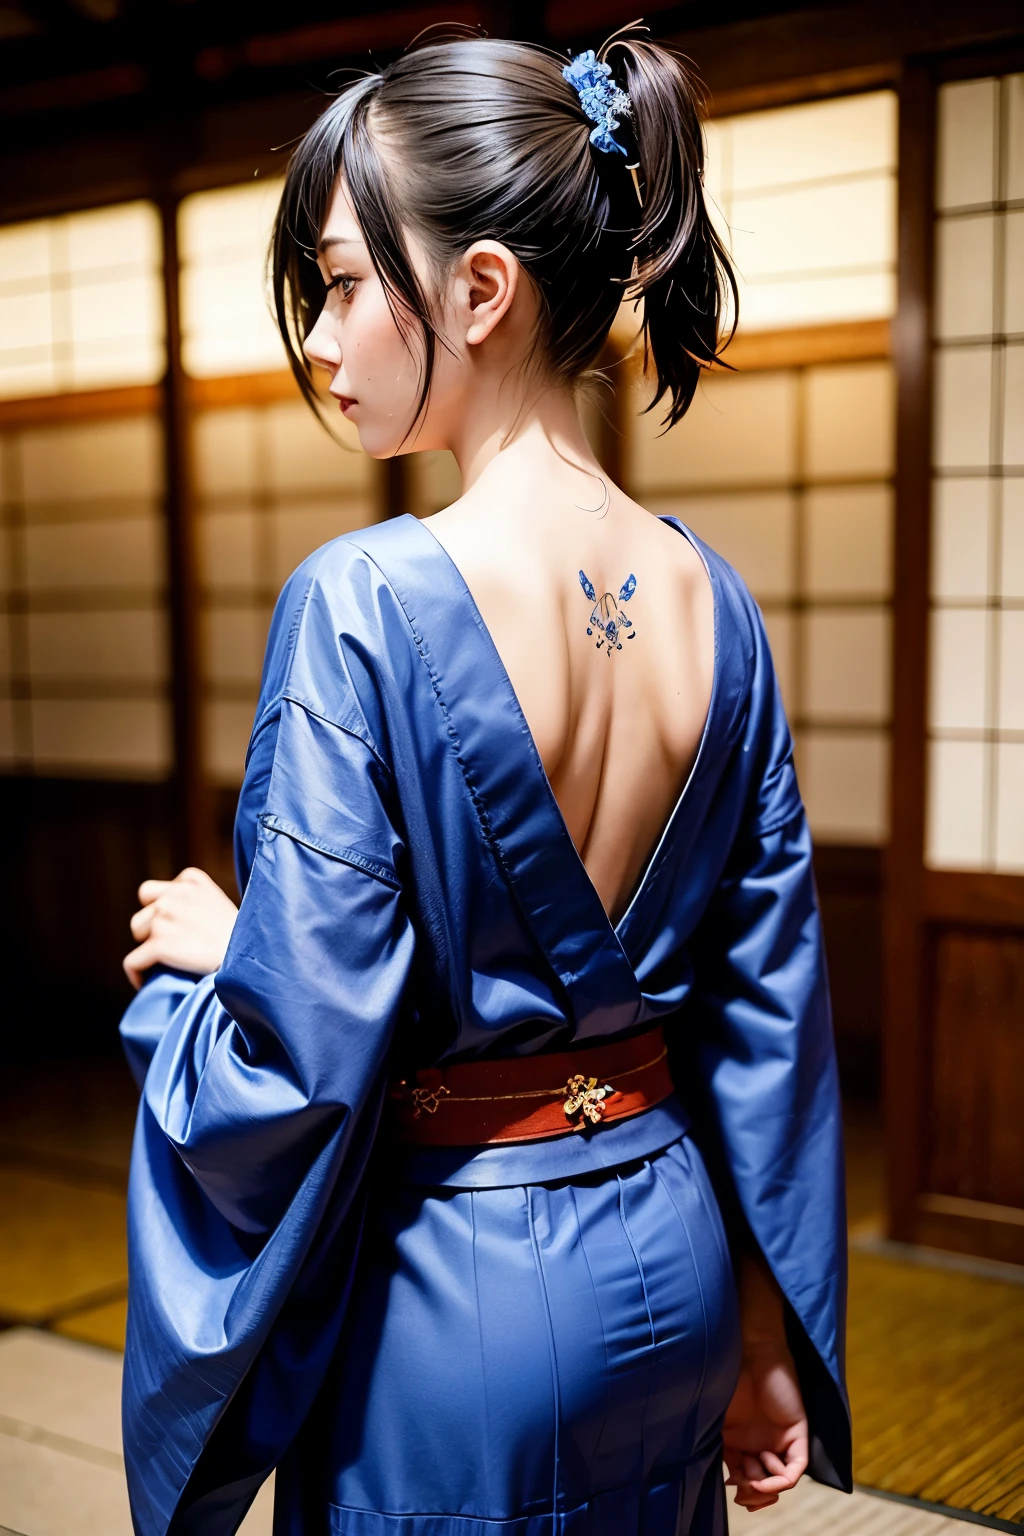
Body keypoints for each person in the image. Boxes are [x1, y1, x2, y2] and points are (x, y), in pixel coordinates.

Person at [119, 28, 850, 1536]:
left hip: (452, 1297)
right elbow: (765, 1017)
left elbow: (297, 1061)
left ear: (482, 288)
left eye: (336, 284)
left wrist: (210, 967)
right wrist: (766, 1343)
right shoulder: (721, 604)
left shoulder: (361, 600)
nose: (320, 342)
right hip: (676, 1262)